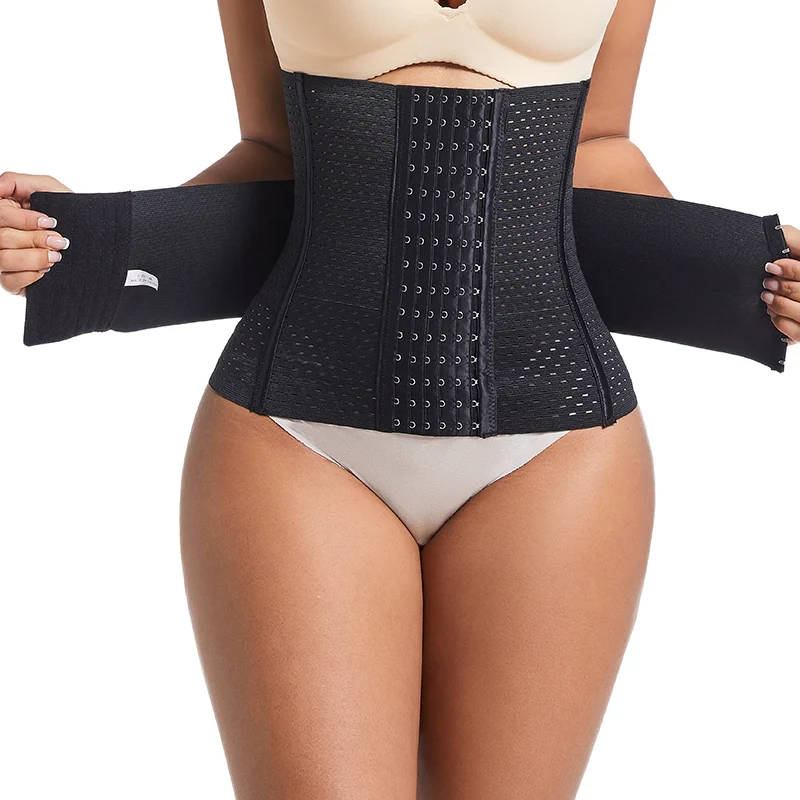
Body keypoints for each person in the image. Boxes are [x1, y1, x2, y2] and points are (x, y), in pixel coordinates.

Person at [1, 1, 798, 798]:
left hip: (558, 439)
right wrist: (86, 245)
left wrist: (755, 280)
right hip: (298, 432)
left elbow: (599, 147)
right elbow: (273, 151)